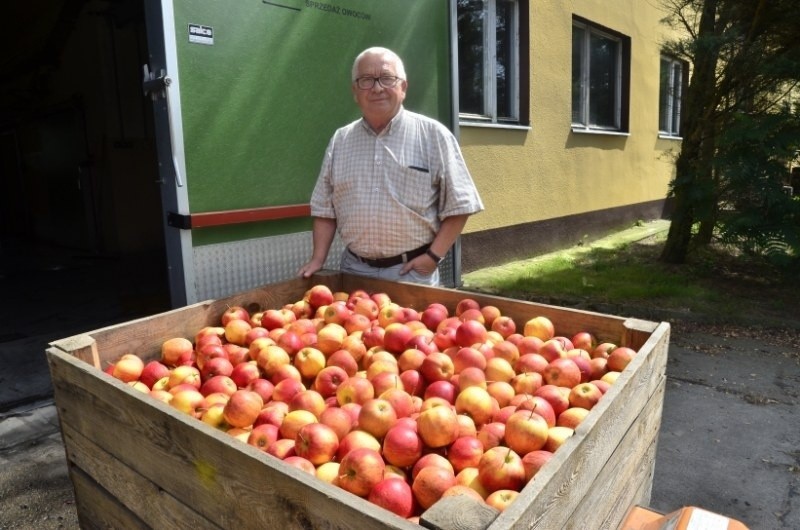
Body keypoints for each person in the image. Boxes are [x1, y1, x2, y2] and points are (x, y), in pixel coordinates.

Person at [297, 47, 483, 286]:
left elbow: (460, 205)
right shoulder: (340, 140)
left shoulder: (433, 135)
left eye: (387, 79)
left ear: (403, 88)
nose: (376, 88)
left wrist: (433, 257)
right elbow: (324, 209)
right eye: (366, 80)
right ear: (355, 91)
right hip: (354, 270)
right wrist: (317, 259)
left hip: (411, 273)